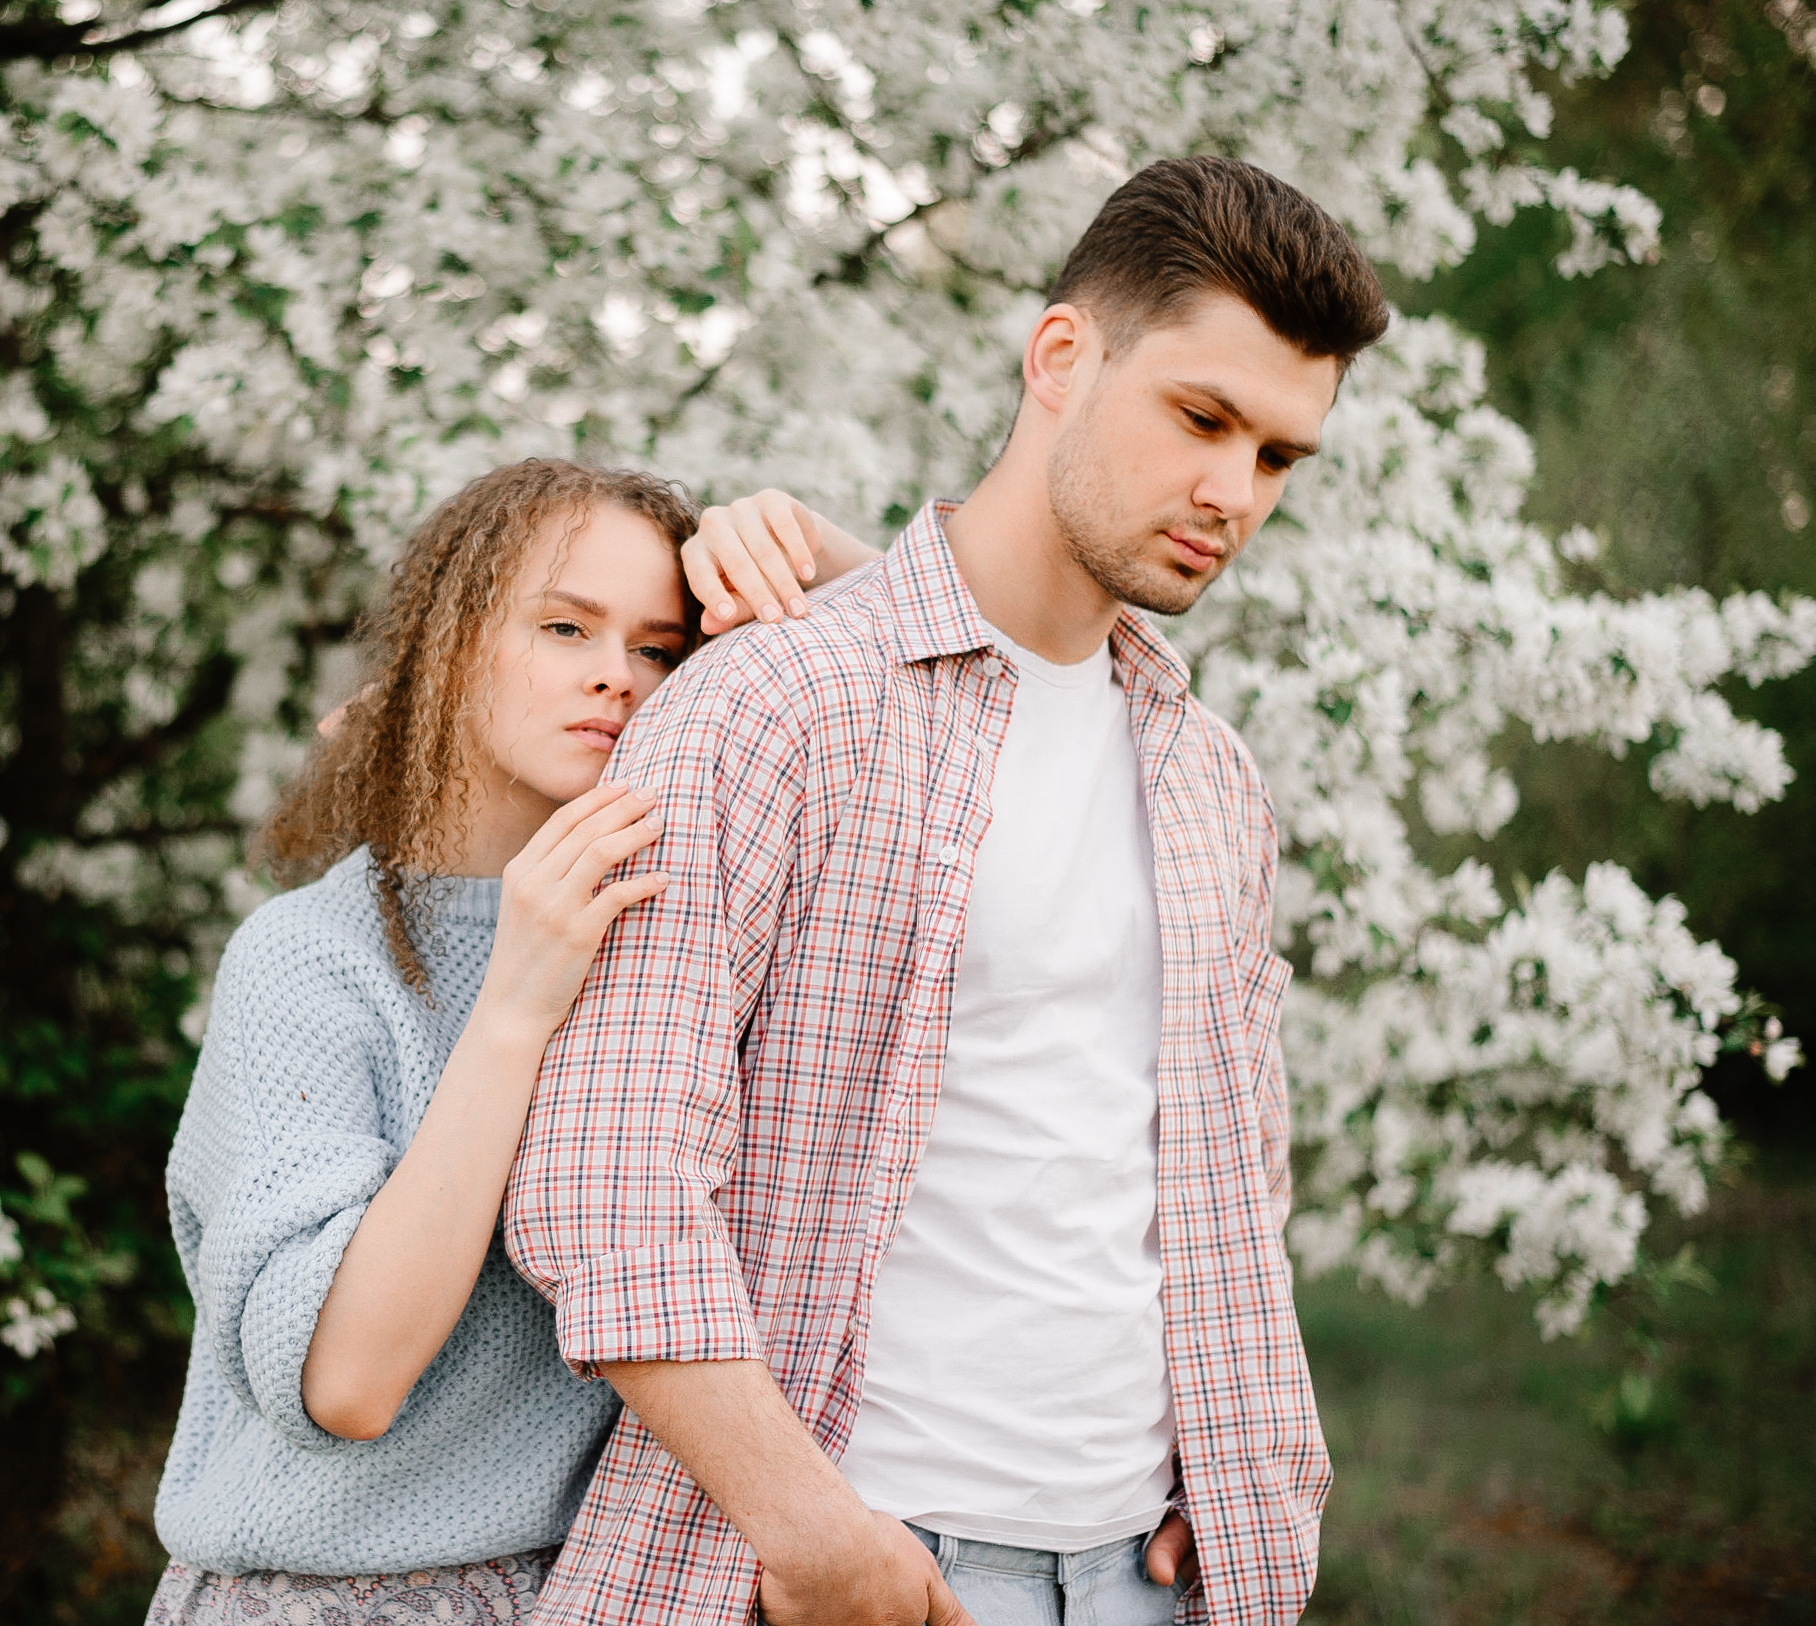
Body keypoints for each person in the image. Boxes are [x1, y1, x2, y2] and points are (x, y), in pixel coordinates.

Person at [504, 155, 1391, 1626]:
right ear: (1059, 356)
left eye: (1277, 457)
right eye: (1199, 418)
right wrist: (814, 1533)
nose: (1230, 493)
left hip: (1150, 1576)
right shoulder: (776, 704)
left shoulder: (1208, 780)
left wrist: (1237, 1468)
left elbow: (1232, 1173)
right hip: (846, 1564)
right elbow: (607, 1175)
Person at [144, 459, 877, 1625]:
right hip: (325, 1599)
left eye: (656, 648)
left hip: (606, 1592)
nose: (614, 674)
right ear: (446, 647)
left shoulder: (678, 939)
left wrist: (826, 565)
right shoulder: (310, 958)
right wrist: (513, 1008)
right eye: (563, 627)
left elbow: (944, 750)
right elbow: (346, 1381)